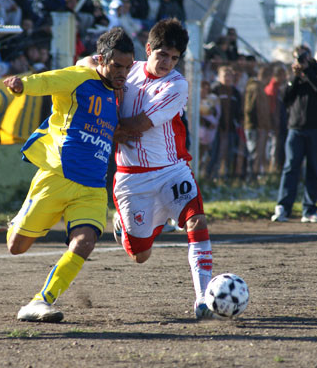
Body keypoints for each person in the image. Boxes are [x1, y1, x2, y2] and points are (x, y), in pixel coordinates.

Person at [81, 19, 216, 319]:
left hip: (172, 170)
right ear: (148, 49)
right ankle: (127, 224)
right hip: (132, 179)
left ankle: (203, 299)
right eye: (162, 55)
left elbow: (138, 125)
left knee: (197, 223)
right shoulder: (126, 70)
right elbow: (87, 63)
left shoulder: (177, 85)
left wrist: (107, 127)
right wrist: (88, 64)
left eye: (174, 57)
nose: (168, 62)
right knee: (140, 255)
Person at [4, 27, 134, 322]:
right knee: (16, 246)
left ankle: (40, 301)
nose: (123, 72)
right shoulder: (79, 78)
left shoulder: (120, 91)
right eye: (117, 66)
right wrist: (22, 84)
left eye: (128, 67)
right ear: (101, 59)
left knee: (85, 242)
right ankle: (18, 220)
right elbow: (48, 80)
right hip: (57, 177)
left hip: (93, 186)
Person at [271, 45, 317, 223]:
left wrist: (307, 73)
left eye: (303, 57)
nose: (300, 61)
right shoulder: (296, 76)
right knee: (290, 168)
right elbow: (286, 98)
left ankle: (310, 209)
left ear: (310, 56)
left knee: (314, 168)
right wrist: (295, 78)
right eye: (297, 58)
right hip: (296, 128)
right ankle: (283, 207)